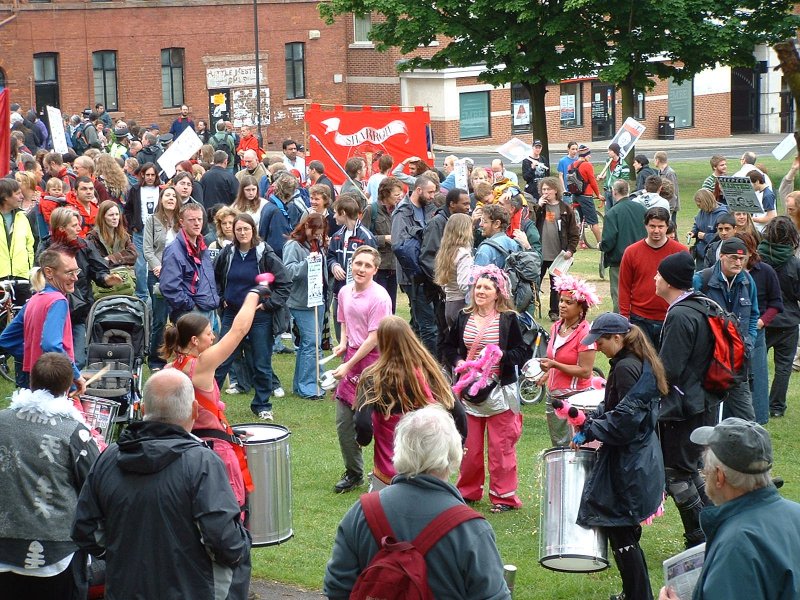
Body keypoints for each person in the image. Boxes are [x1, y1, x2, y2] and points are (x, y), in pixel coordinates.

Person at [72, 369, 251, 600]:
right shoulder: (203, 464)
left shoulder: (109, 457)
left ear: (143, 410)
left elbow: (85, 528)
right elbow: (225, 541)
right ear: (195, 410)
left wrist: (121, 552)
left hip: (125, 589)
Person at [323, 405, 511, 600]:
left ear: (399, 449)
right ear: (455, 455)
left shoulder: (361, 512)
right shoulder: (471, 529)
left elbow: (336, 588)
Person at [575, 313, 668, 600]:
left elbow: (625, 422)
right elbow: (616, 407)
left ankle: (639, 596)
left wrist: (592, 430)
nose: (597, 346)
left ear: (617, 338)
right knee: (623, 530)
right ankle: (633, 593)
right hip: (636, 458)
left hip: (631, 462)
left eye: (600, 340)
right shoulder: (631, 362)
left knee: (622, 532)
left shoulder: (626, 368)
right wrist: (592, 421)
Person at [658, 418, 800, 600]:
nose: (704, 474)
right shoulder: (796, 513)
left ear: (719, 477)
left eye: (705, 470)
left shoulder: (736, 545)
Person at [0, 353, 100, 599]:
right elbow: (96, 486)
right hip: (59, 552)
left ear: (30, 382)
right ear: (68, 388)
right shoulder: (77, 433)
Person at [442, 264, 532, 512]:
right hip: (469, 394)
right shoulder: (462, 316)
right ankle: (468, 492)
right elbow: (448, 347)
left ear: (498, 292)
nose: (480, 291)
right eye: (478, 287)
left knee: (500, 449)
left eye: (487, 288)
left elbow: (522, 351)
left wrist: (500, 356)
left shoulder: (509, 319)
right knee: (469, 449)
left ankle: (503, 497)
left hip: (500, 393)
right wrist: (459, 362)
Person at [354, 316, 467, 490]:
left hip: (388, 473)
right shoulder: (430, 371)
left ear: (381, 342)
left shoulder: (372, 377)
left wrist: (362, 439)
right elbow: (458, 413)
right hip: (430, 471)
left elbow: (362, 423)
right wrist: (459, 445)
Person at [655, 252, 717, 548]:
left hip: (684, 408)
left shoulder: (680, 314)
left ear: (668, 281)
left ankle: (699, 536)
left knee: (677, 473)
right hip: (702, 402)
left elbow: (670, 370)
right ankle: (713, 528)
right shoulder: (702, 305)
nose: (655, 279)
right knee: (691, 469)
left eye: (658, 275)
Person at [213, 213, 291, 421]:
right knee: (222, 359)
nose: (242, 232)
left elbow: (284, 284)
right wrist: (222, 299)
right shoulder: (227, 253)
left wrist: (268, 305)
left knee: (261, 361)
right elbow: (215, 279)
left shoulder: (264, 253)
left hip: (259, 317)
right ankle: (210, 403)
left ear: (253, 230)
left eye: (246, 229)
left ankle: (262, 405)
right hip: (232, 313)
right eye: (238, 229)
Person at [331, 246, 393, 493]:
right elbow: (344, 321)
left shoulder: (380, 297)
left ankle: (386, 473)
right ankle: (354, 472)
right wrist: (343, 344)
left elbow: (374, 338)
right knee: (343, 421)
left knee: (375, 421)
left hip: (375, 362)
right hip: (352, 358)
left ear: (375, 270)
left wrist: (348, 363)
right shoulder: (345, 292)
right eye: (358, 264)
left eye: (368, 265)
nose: (362, 269)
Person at [39, 207, 122, 369]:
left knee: (78, 359)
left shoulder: (84, 246)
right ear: (61, 228)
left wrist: (107, 278)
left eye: (79, 224)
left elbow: (99, 270)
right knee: (52, 357)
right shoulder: (46, 249)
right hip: (54, 311)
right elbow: (41, 278)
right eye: (74, 225)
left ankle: (70, 389)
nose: (79, 229)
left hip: (79, 312)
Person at [694, 237, 758, 421]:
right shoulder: (701, 280)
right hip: (709, 361)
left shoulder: (747, 281)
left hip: (737, 360)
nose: (738, 262)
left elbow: (753, 314)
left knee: (747, 419)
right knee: (707, 418)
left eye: (742, 258)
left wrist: (748, 342)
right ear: (721, 256)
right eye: (733, 258)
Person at [538, 274, 599, 446]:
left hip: (576, 400)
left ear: (581, 308)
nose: (562, 305)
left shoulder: (585, 333)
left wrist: (555, 365)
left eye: (569, 302)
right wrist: (548, 372)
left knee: (576, 448)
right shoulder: (556, 326)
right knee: (559, 447)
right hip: (554, 398)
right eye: (561, 301)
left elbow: (586, 371)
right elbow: (555, 357)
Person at [618, 207, 688, 347]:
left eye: (661, 226)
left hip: (671, 317)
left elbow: (686, 287)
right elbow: (624, 287)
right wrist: (625, 318)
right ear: (645, 225)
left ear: (667, 226)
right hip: (639, 319)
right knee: (643, 364)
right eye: (652, 226)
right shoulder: (631, 252)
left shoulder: (681, 252)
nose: (656, 231)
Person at [732, 231, 782, 425]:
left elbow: (776, 303)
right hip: (732, 332)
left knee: (757, 377)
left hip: (756, 331)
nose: (738, 260)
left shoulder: (765, 272)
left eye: (742, 255)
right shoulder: (728, 272)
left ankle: (759, 419)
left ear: (751, 252)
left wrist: (762, 321)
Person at [282, 212, 329, 399]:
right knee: (311, 343)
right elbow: (288, 271)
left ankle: (304, 384)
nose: (317, 235)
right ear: (306, 227)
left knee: (312, 344)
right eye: (314, 231)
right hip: (301, 302)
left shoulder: (317, 244)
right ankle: (308, 386)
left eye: (320, 232)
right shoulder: (293, 245)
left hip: (318, 299)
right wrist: (306, 263)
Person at [758, 217, 800, 419]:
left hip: (763, 320)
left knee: (757, 364)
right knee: (783, 367)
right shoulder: (794, 263)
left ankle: (756, 400)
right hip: (788, 321)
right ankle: (776, 406)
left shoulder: (758, 259)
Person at [391, 175, 438, 355]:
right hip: (413, 277)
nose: (433, 195)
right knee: (427, 325)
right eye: (430, 192)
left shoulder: (429, 209)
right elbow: (399, 245)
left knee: (419, 322)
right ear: (419, 190)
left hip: (427, 274)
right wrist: (419, 272)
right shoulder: (402, 212)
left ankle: (409, 358)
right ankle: (430, 366)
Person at [160, 202, 220, 323]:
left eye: (199, 219)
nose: (197, 223)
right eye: (192, 220)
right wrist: (191, 306)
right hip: (191, 314)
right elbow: (169, 287)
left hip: (210, 310)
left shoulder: (202, 246)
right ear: (182, 222)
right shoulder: (174, 251)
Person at [533, 176, 580, 321]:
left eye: (548, 189)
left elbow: (574, 233)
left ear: (555, 190)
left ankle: (554, 312)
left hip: (558, 256)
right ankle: (532, 309)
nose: (545, 192)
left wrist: (571, 250)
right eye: (543, 189)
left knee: (556, 286)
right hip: (540, 254)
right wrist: (538, 206)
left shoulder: (565, 209)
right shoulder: (539, 208)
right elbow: (530, 223)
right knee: (535, 283)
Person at [600, 180, 647, 313]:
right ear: (628, 191)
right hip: (641, 258)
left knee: (619, 295)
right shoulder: (642, 209)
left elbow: (608, 241)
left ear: (614, 192)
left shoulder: (612, 213)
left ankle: (619, 325)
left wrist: (601, 246)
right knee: (639, 292)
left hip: (619, 261)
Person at [362, 176, 401, 312]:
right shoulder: (371, 210)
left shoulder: (399, 210)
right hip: (379, 267)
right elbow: (363, 238)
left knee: (391, 307)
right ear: (386, 194)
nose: (399, 196)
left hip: (394, 266)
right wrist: (383, 238)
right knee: (378, 307)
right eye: (396, 194)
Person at [124, 162, 161, 303]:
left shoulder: (161, 189)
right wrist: (132, 225)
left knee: (156, 261)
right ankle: (141, 295)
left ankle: (157, 290)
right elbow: (127, 209)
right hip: (140, 229)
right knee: (140, 264)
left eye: (152, 175)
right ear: (142, 175)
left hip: (157, 230)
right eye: (147, 175)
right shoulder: (135, 189)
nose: (150, 178)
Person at [434, 213, 474, 327]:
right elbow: (464, 284)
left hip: (449, 304)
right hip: (461, 305)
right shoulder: (463, 254)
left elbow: (443, 282)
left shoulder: (446, 252)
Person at [688, 189, 728, 270]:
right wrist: (693, 232)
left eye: (700, 205)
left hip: (712, 253)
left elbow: (722, 236)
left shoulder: (722, 214)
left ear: (706, 202)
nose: (699, 207)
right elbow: (697, 224)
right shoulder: (702, 211)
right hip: (700, 253)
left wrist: (705, 236)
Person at [597, 142, 629, 211]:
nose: (608, 152)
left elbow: (624, 181)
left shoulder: (624, 165)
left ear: (614, 152)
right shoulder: (608, 161)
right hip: (607, 191)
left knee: (616, 210)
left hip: (616, 192)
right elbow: (608, 173)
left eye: (609, 150)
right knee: (608, 212)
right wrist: (603, 177)